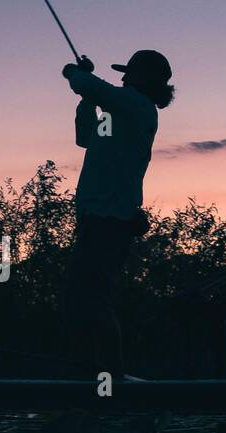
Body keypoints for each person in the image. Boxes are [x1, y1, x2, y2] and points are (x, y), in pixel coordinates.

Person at [60, 49, 174, 378]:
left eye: (128, 74)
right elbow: (86, 137)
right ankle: (97, 374)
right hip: (98, 219)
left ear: (143, 80)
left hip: (110, 221)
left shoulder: (138, 106)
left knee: (89, 300)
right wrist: (86, 98)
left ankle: (103, 378)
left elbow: (93, 86)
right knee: (84, 298)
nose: (122, 78)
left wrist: (75, 74)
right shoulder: (118, 114)